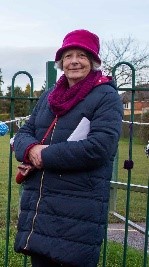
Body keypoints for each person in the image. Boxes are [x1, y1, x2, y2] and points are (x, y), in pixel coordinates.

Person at [13, 29, 123, 267]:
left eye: (82, 55)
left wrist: (45, 155)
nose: (74, 61)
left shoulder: (106, 97)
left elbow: (99, 148)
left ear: (93, 62)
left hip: (77, 210)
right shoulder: (50, 96)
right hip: (41, 211)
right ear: (61, 62)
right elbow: (24, 132)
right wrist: (31, 149)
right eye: (68, 55)